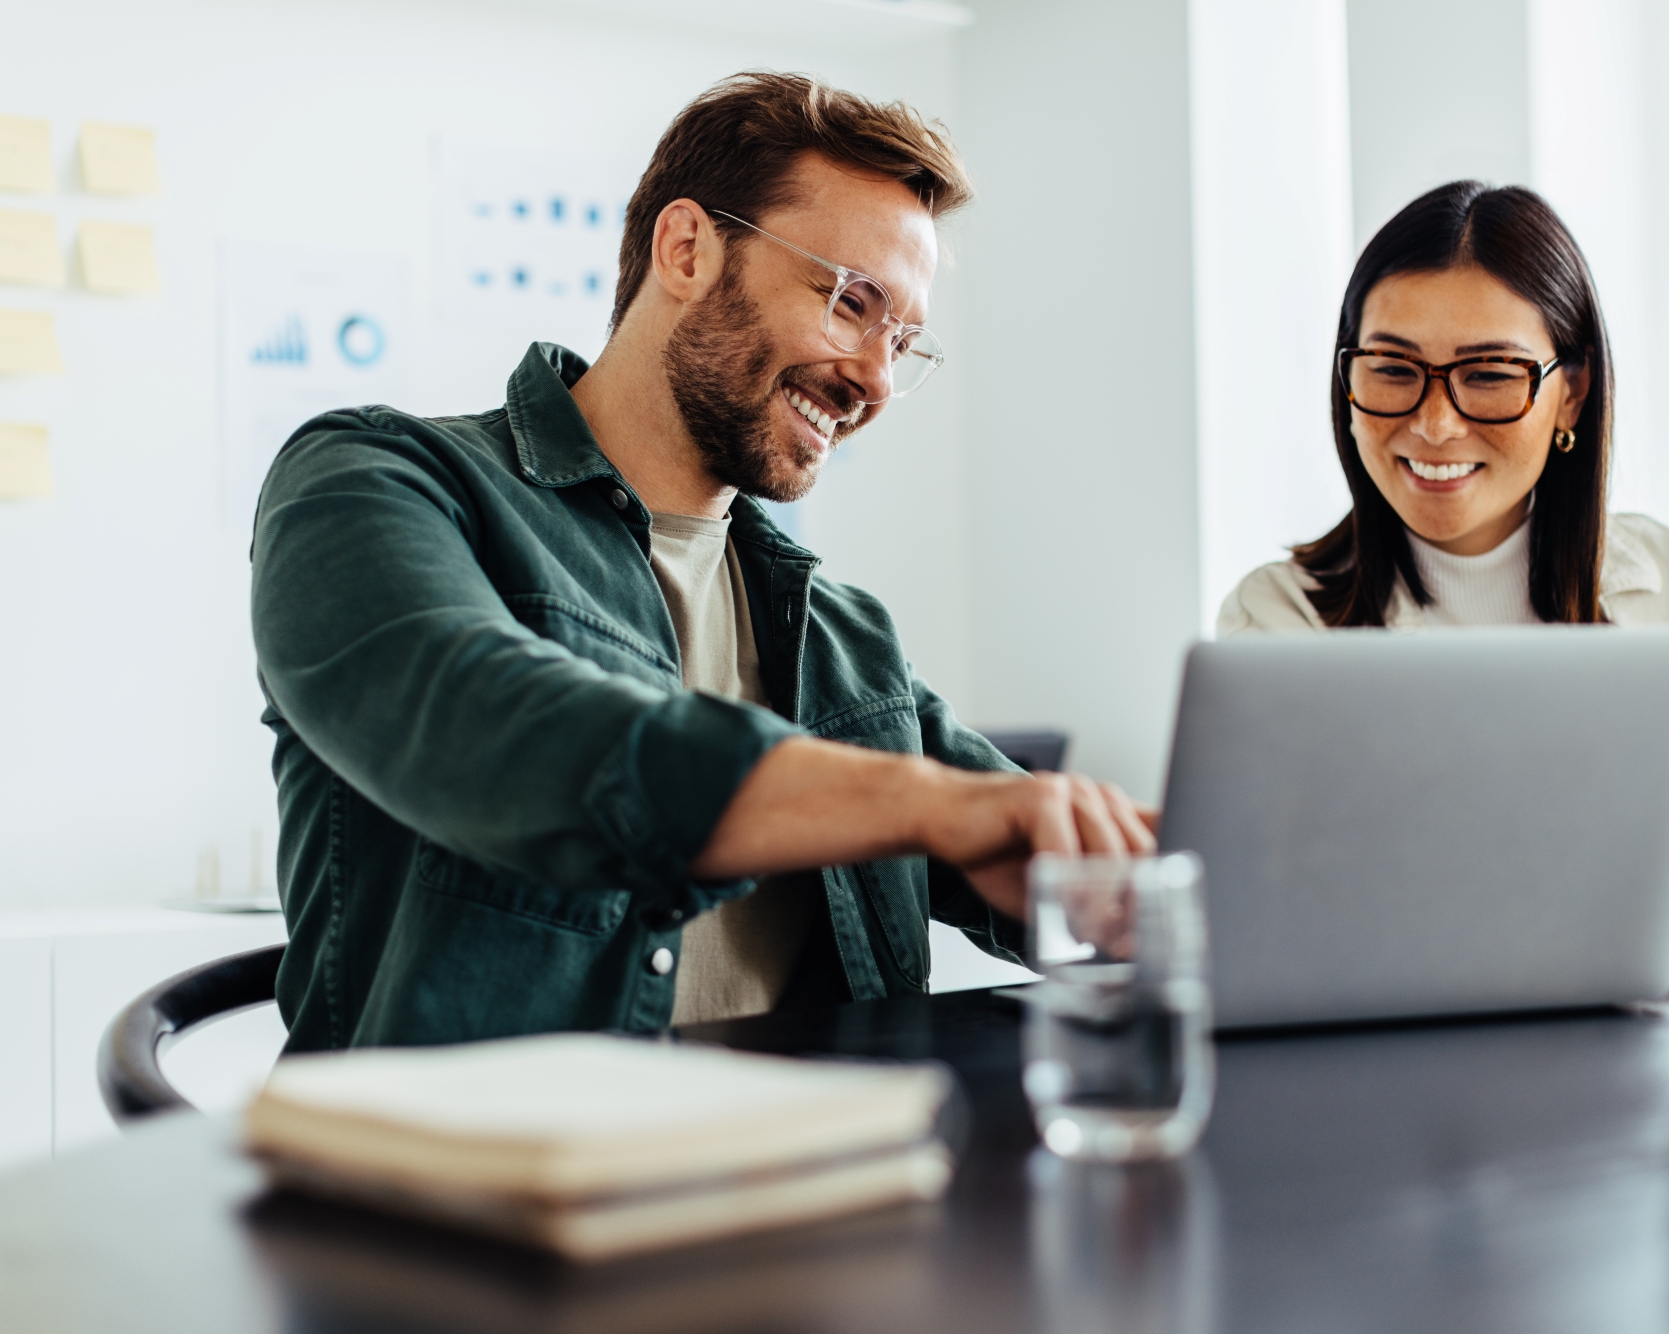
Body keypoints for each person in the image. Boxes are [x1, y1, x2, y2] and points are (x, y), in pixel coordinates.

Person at [251, 73, 1152, 1052]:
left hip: (824, 1175)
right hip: (480, 1184)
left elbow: (1020, 835)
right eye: (850, 302)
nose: (876, 380)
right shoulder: (376, 478)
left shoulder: (842, 635)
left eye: (903, 340)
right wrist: (931, 804)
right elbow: (499, 725)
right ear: (686, 248)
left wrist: (1133, 872)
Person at [1217, 180, 1669, 957]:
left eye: (1491, 375)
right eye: (1393, 370)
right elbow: (1293, 895)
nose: (1434, 423)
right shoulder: (1278, 624)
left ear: (1570, 395)